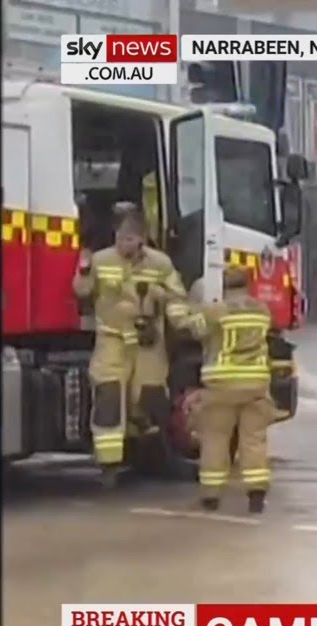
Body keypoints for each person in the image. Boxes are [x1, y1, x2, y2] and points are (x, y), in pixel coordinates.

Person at [73, 203, 191, 486]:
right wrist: (84, 270)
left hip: (147, 342)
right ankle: (109, 467)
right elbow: (81, 292)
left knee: (151, 400)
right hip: (112, 339)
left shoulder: (159, 263)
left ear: (142, 238)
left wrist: (172, 312)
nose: (123, 244)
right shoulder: (101, 261)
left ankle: (155, 458)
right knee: (109, 398)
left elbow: (178, 297)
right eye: (119, 238)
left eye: (129, 239)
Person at [186, 266, 276, 513]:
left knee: (215, 438)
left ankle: (211, 497)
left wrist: (194, 306)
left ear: (223, 287)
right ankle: (256, 495)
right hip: (256, 384)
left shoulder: (217, 310)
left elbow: (195, 329)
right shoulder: (262, 310)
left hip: (222, 384)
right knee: (254, 440)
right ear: (247, 285)